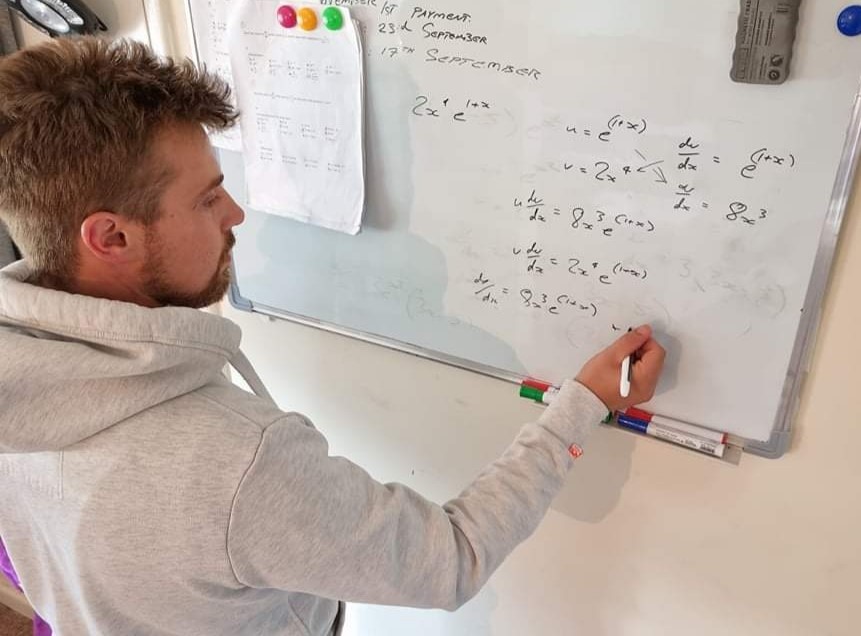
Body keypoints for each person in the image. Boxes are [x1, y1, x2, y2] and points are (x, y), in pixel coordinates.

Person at [0, 37, 665, 635]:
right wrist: (582, 404)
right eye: (207, 199)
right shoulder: (234, 460)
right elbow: (449, 561)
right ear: (110, 237)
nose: (235, 213)